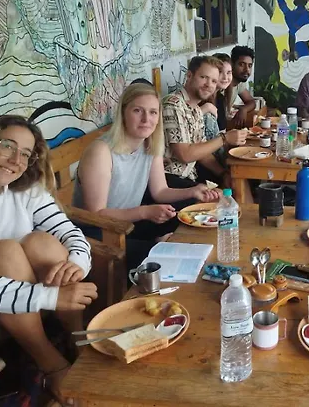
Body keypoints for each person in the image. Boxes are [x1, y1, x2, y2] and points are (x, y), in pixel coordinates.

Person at [0, 115, 97, 404]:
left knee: (41, 242)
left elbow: (70, 233)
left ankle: (78, 341)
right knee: (4, 252)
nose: (16, 160)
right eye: (8, 146)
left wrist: (78, 264)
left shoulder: (27, 190)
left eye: (25, 153)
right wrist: (50, 296)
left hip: (31, 303)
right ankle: (52, 364)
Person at [73, 82, 220, 265]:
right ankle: (157, 247)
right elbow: (96, 215)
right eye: (137, 111)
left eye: (153, 112)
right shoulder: (101, 151)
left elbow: (160, 191)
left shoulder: (150, 144)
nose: (146, 119)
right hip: (96, 235)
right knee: (170, 257)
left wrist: (193, 191)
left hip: (129, 225)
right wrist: (144, 212)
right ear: (123, 113)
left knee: (195, 219)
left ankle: (159, 243)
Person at [162, 55, 247, 190]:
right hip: (169, 181)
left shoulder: (196, 109)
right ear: (189, 75)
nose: (209, 85)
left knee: (238, 182)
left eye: (213, 81)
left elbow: (203, 153)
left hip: (189, 178)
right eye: (203, 77)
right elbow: (185, 155)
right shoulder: (173, 105)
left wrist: (223, 174)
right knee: (221, 199)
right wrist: (224, 139)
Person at [227, 46, 257, 129]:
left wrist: (244, 109)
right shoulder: (224, 85)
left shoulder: (239, 82)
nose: (246, 70)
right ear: (232, 65)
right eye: (241, 64)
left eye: (250, 66)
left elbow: (251, 101)